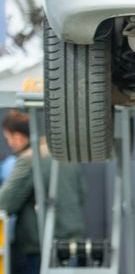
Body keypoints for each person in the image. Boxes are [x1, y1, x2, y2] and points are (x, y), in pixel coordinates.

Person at [0, 109, 86, 274]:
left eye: (8, 138)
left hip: (39, 248)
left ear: (17, 137)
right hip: (73, 243)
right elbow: (82, 194)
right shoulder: (65, 155)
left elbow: (5, 203)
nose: (10, 143)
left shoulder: (29, 159)